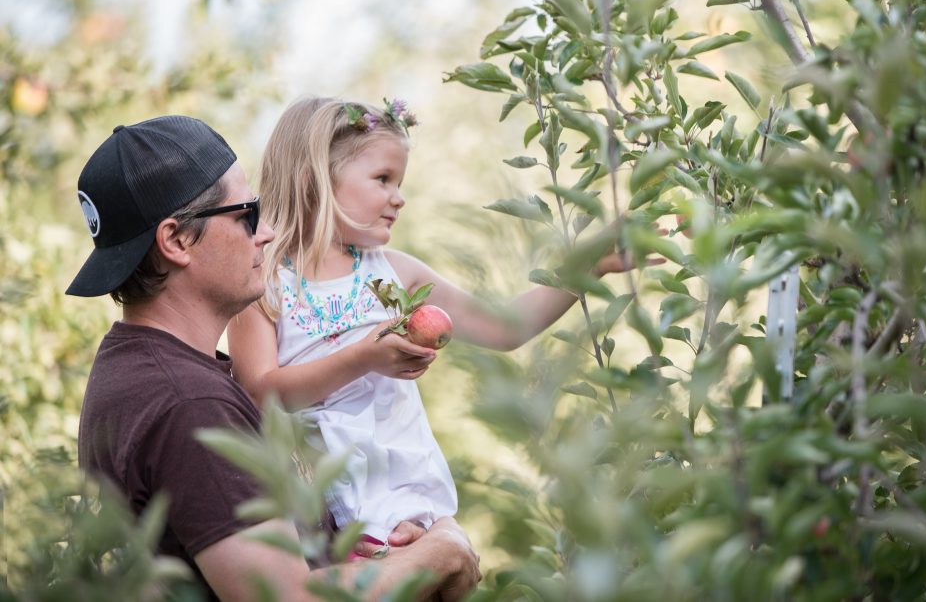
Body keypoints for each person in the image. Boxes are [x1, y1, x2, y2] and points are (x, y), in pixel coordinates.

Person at [68, 115, 481, 601]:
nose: (266, 232)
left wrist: (391, 554)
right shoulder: (189, 404)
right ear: (177, 241)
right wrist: (442, 553)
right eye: (247, 213)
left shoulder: (139, 367)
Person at [227, 97, 656, 547]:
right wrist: (363, 358)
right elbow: (259, 392)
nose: (400, 197)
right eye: (383, 179)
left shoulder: (393, 271)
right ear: (313, 180)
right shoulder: (263, 281)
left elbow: (502, 327)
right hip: (316, 509)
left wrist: (590, 266)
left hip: (404, 502)